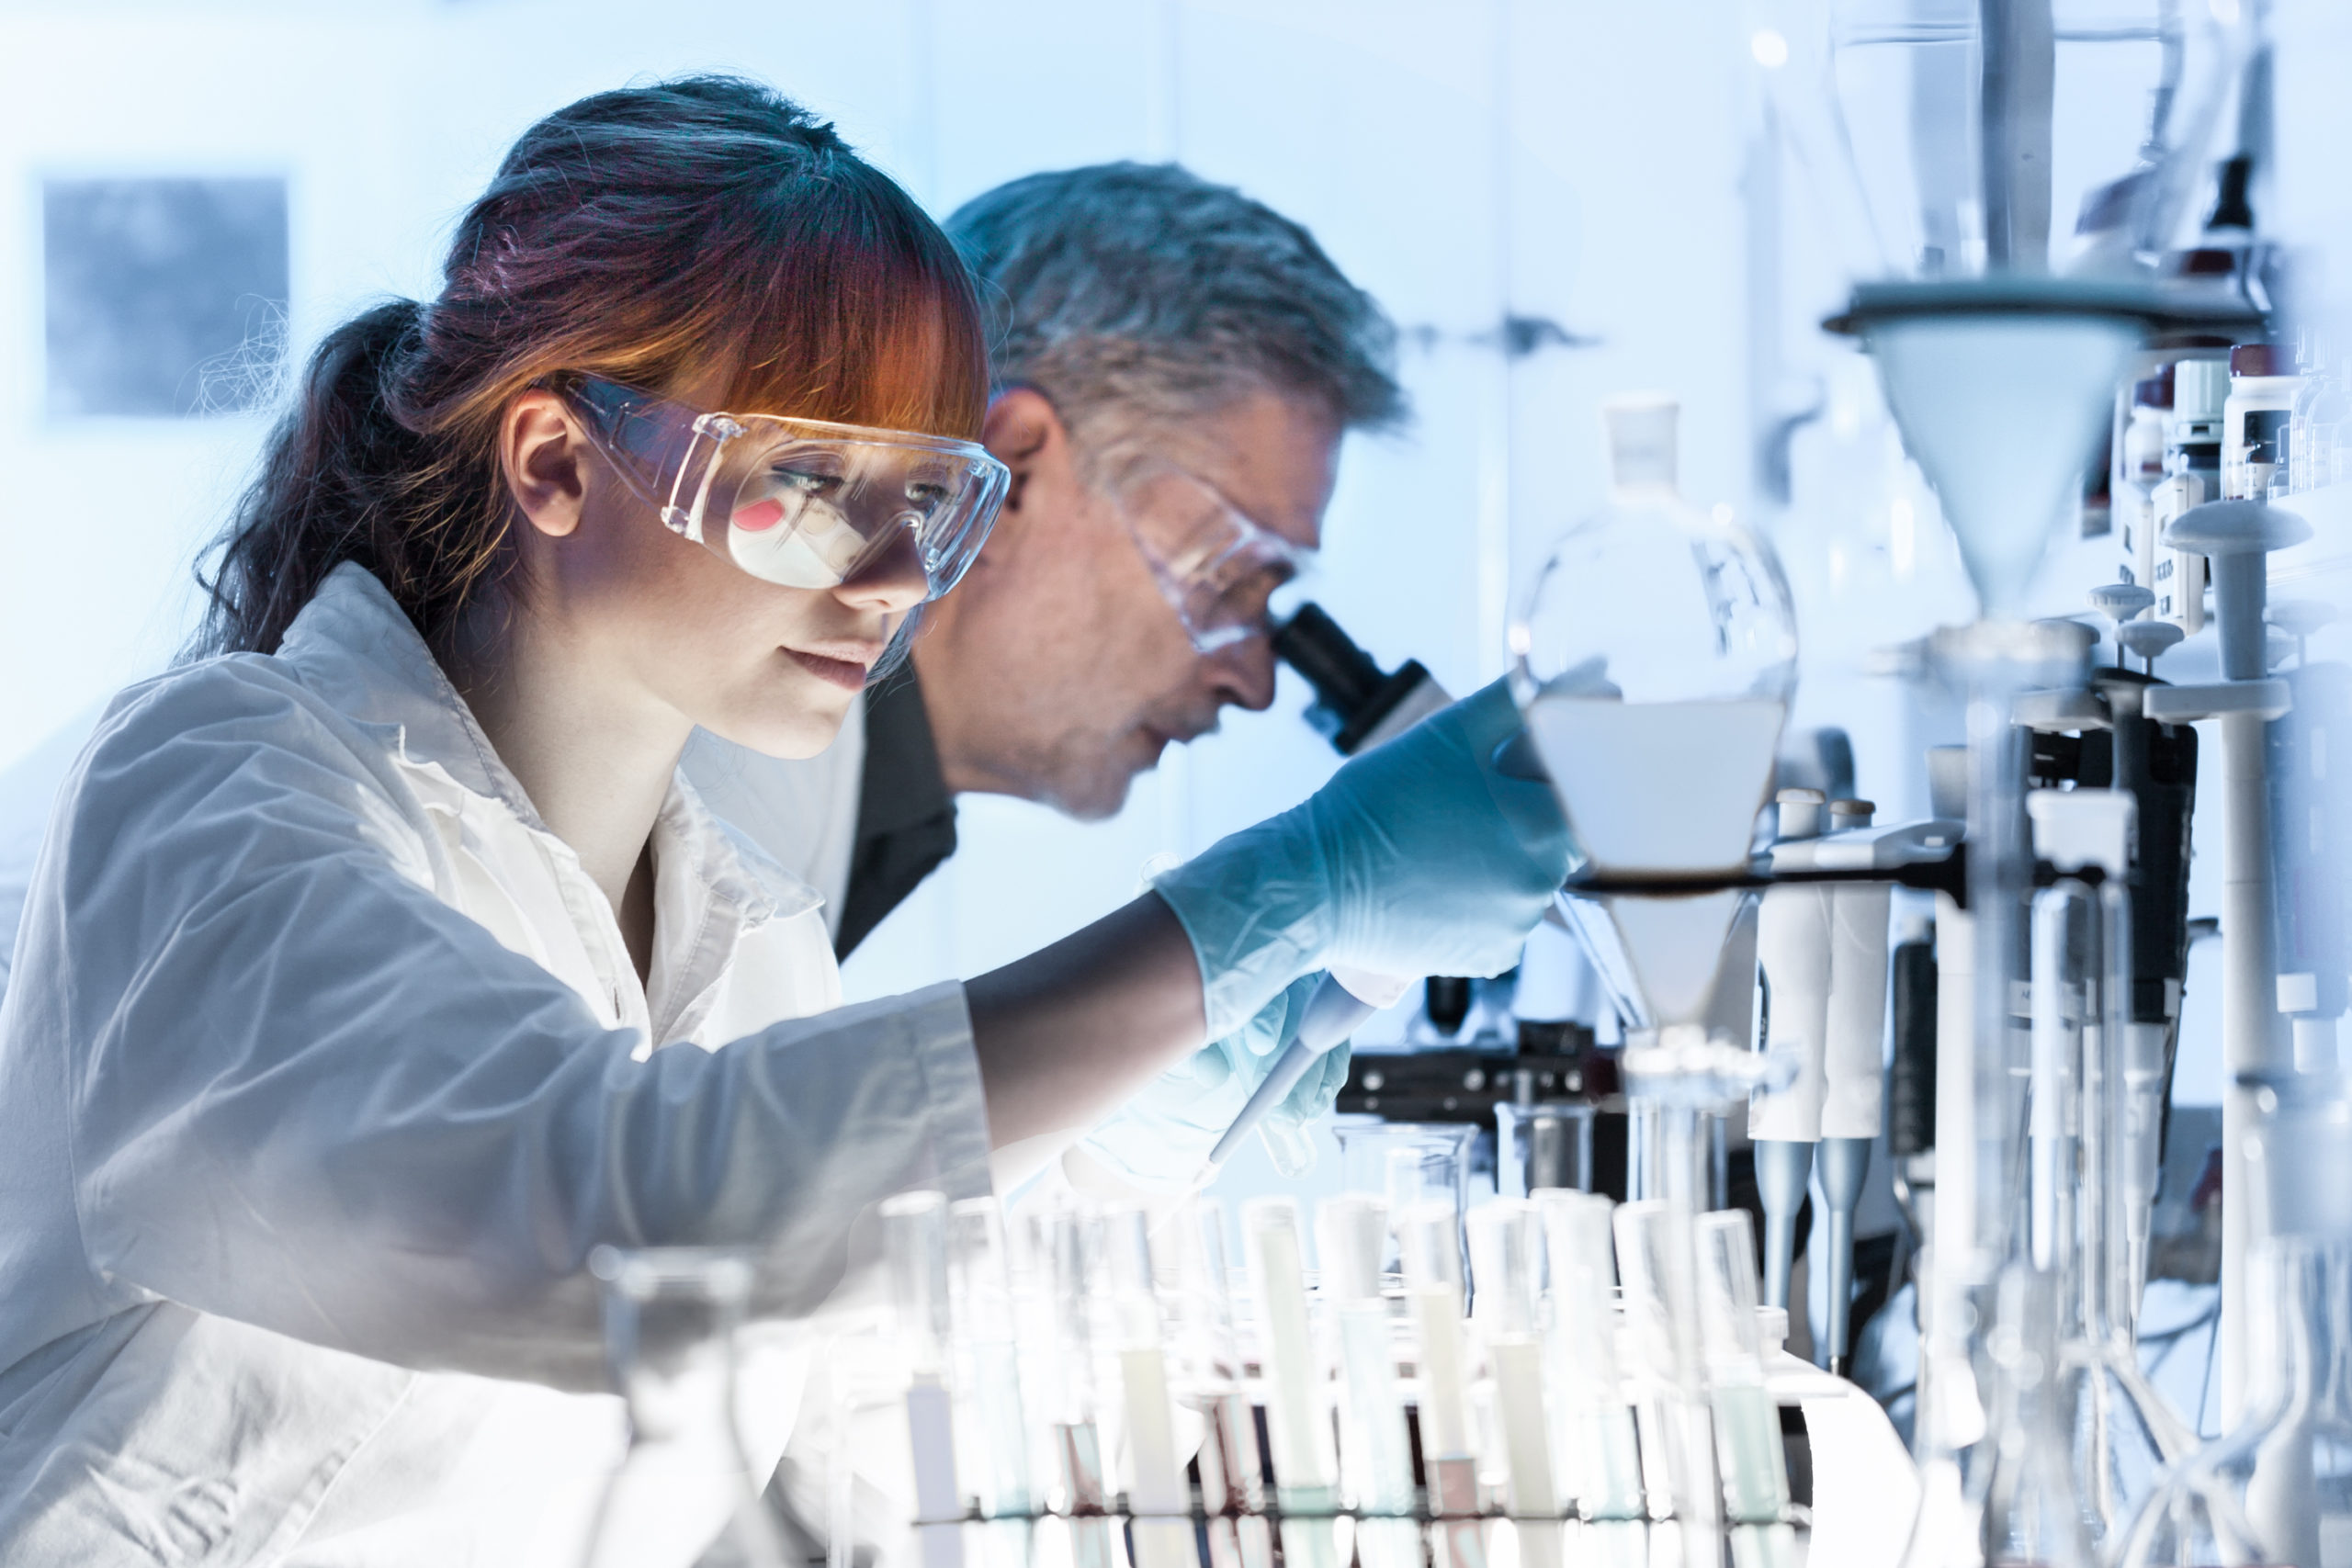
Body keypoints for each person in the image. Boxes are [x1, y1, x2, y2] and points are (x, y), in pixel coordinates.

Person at [0, 78, 1568, 1565]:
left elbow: (851, 1422)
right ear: (555, 458)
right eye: (811, 482)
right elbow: (620, 1222)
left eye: (931, 502)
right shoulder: (212, 784)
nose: (891, 578)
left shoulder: (740, 933)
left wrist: (1123, 1153)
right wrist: (1248, 911)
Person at [682, 161, 1407, 1179]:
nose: (1253, 679)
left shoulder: (855, 791)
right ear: (1010, 470)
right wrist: (1217, 944)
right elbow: (682, 1212)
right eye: (1231, 578)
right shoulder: (723, 749)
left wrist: (1088, 1132)